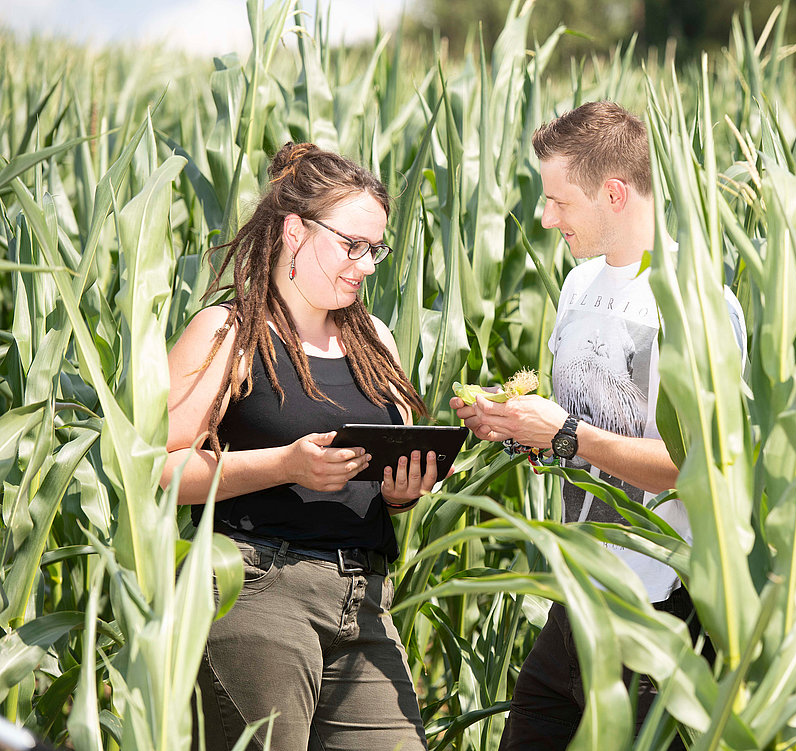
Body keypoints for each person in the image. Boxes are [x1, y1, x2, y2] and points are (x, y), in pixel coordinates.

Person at [450, 102, 746, 749]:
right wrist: (517, 423)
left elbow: (697, 466)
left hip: (658, 612)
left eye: (559, 201)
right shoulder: (579, 285)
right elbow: (579, 430)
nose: (546, 216)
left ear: (613, 193)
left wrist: (564, 434)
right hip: (576, 595)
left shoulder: (695, 301)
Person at [162, 142, 434, 751]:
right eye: (351, 246)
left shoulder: (376, 339)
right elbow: (164, 470)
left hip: (365, 598)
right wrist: (286, 466)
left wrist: (398, 494)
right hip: (257, 590)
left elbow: (374, 476)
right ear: (294, 231)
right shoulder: (228, 332)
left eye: (376, 250)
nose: (365, 265)